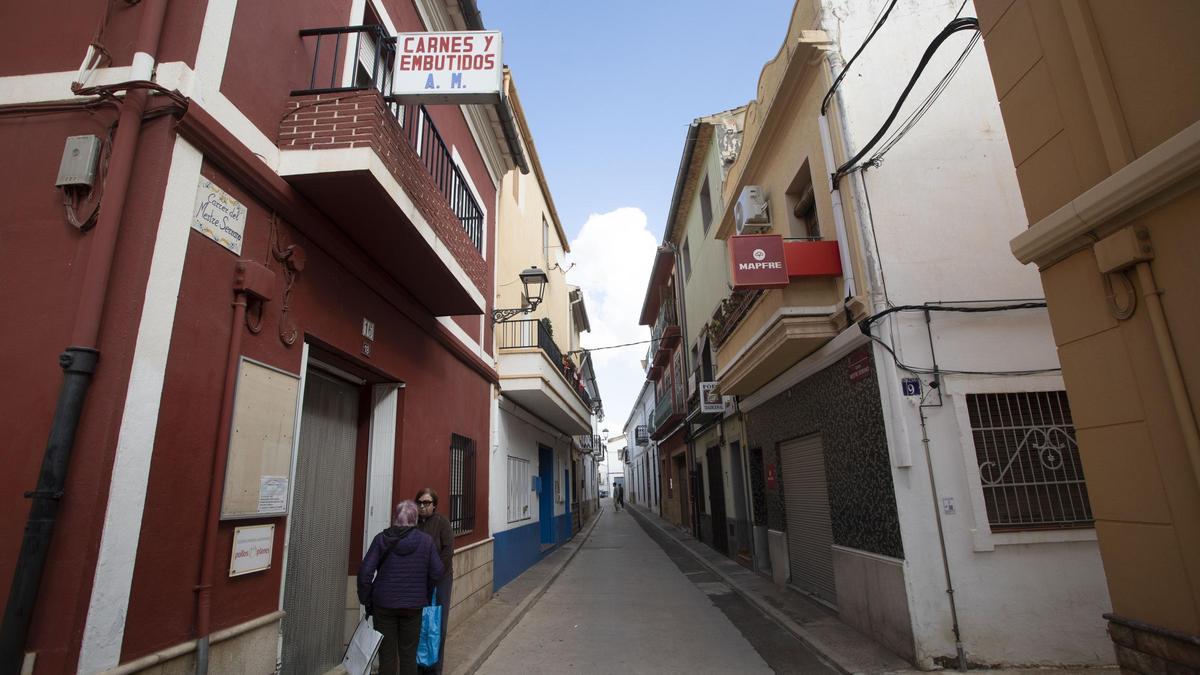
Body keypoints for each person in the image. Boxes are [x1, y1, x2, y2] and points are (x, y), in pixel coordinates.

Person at [359, 500, 444, 675]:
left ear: (395, 518)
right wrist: (424, 592)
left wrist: (367, 600)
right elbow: (437, 572)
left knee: (387, 655)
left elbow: (364, 573)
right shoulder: (426, 541)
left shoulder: (381, 539)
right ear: (415, 519)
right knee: (408, 654)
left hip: (383, 606)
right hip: (413, 607)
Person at [415, 488, 454, 675]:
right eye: (420, 502)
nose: (422, 506)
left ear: (434, 505)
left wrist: (434, 574)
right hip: (419, 582)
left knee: (438, 625)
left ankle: (435, 669)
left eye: (427, 502)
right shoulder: (414, 525)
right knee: (420, 624)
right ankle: (420, 664)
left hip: (440, 581)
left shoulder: (442, 523)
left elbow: (447, 551)